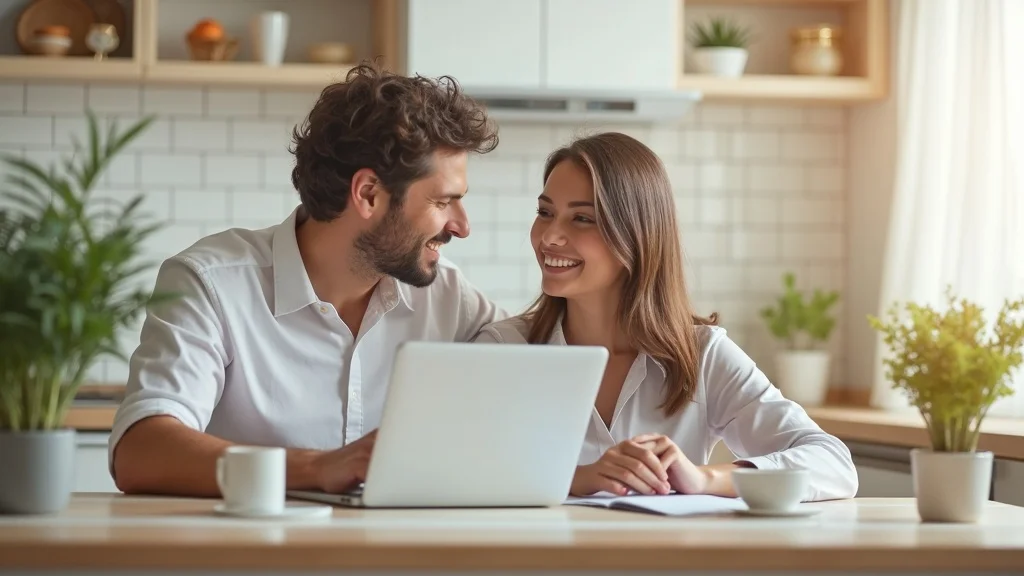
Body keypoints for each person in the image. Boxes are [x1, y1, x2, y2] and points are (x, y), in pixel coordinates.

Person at [110, 63, 506, 497]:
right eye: (443, 201)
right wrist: (317, 467)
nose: (462, 226)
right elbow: (140, 450)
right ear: (368, 194)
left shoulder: (449, 297)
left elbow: (548, 367)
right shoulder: (213, 283)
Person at [473, 132, 858, 501]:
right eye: (545, 212)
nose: (548, 237)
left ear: (636, 234)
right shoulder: (502, 350)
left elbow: (832, 464)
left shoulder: (701, 356)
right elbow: (452, 469)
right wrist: (578, 478)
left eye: (582, 219)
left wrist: (704, 478)